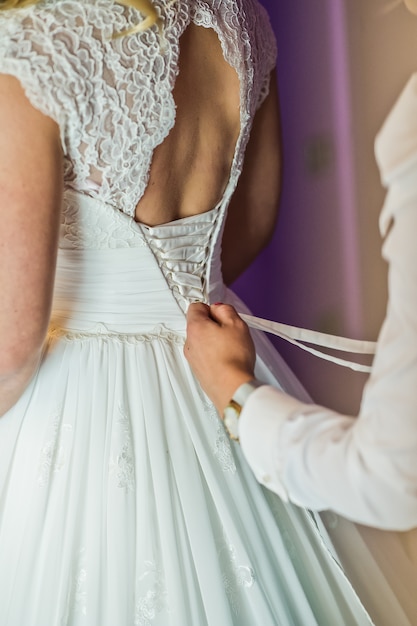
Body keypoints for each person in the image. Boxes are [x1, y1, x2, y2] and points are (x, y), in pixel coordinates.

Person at [0, 0, 380, 624]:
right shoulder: (241, 18)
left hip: (74, 402)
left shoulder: (32, 45)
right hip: (216, 366)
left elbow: (13, 342)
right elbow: (253, 221)